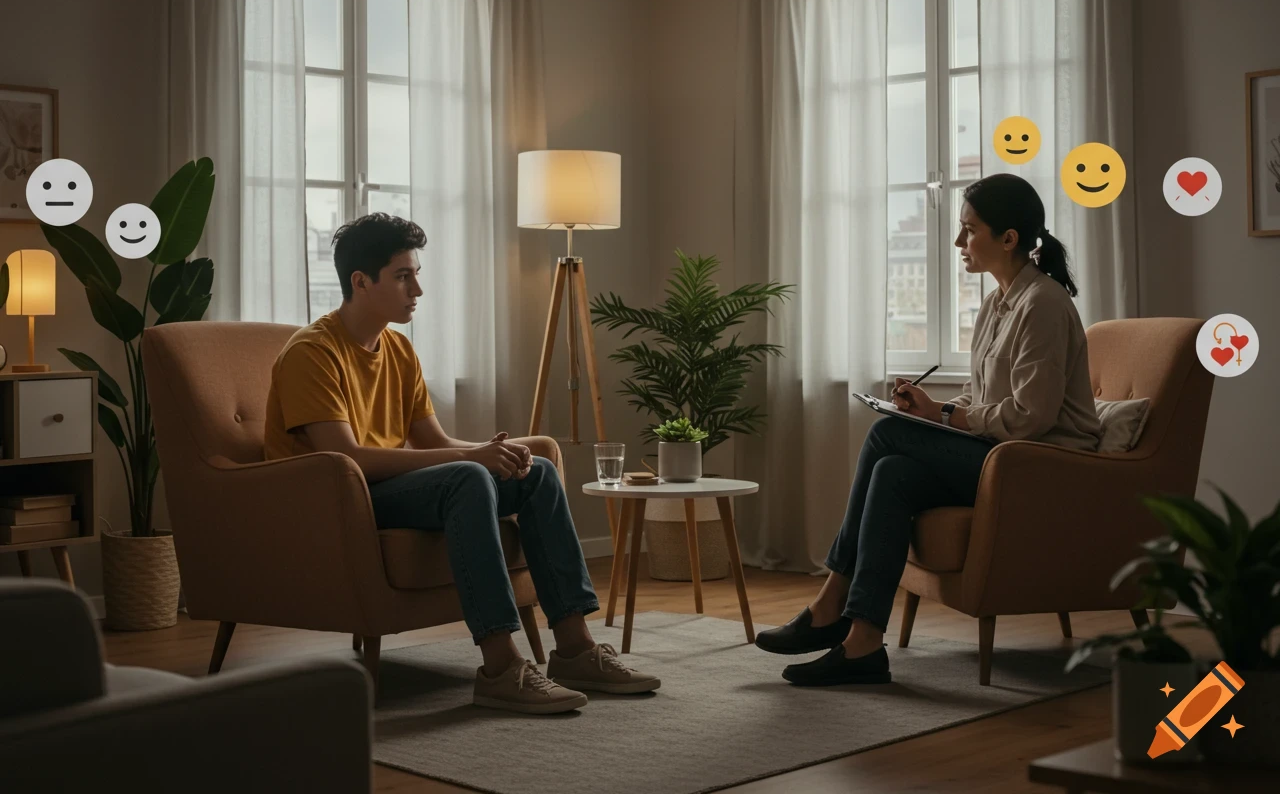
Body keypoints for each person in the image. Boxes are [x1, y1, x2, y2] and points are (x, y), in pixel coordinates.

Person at [263, 213, 659, 714]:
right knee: (468, 476)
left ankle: (576, 650)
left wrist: (494, 452)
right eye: (403, 276)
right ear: (360, 282)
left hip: (385, 489)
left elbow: (433, 440)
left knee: (536, 471)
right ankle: (500, 668)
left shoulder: (398, 349)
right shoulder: (312, 353)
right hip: (336, 498)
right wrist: (472, 459)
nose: (417, 290)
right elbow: (348, 458)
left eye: (416, 274)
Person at [756, 173, 1103, 685]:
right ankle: (863, 643)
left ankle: (830, 606)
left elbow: (1032, 417)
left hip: (1039, 465)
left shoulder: (1043, 305)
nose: (959, 241)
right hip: (1000, 455)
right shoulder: (997, 303)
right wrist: (929, 407)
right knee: (892, 471)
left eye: (970, 230)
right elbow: (980, 397)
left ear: (1009, 238)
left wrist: (942, 416)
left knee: (885, 436)